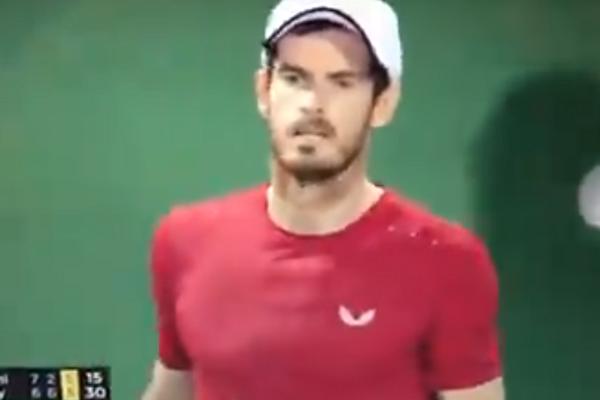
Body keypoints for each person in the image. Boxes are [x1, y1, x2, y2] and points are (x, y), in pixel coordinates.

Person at [141, 0, 505, 399]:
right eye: (294, 78)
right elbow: (173, 388)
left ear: (382, 103)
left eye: (342, 82)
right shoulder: (185, 241)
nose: (313, 104)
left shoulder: (446, 260)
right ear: (264, 90)